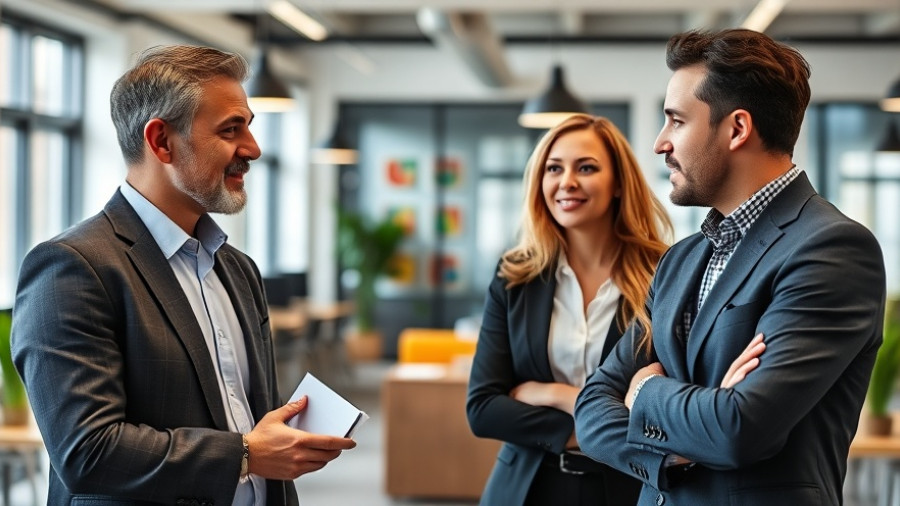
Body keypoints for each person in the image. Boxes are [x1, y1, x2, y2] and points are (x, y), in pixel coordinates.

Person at [10, 45, 356, 505]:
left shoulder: (237, 269)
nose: (252, 149)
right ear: (161, 141)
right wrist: (246, 455)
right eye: (231, 130)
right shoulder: (73, 267)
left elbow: (255, 421)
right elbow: (86, 451)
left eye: (249, 127)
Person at [574, 29, 886, 506]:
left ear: (737, 128)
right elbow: (593, 409)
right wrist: (678, 446)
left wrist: (645, 390)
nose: (660, 144)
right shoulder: (682, 259)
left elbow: (738, 429)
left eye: (676, 121)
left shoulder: (832, 249)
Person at [467, 114, 673, 506]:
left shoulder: (664, 275)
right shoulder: (515, 276)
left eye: (587, 168)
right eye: (554, 168)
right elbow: (483, 409)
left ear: (617, 184)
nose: (567, 182)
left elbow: (664, 412)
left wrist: (556, 394)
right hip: (526, 488)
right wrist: (609, 420)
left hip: (627, 489)